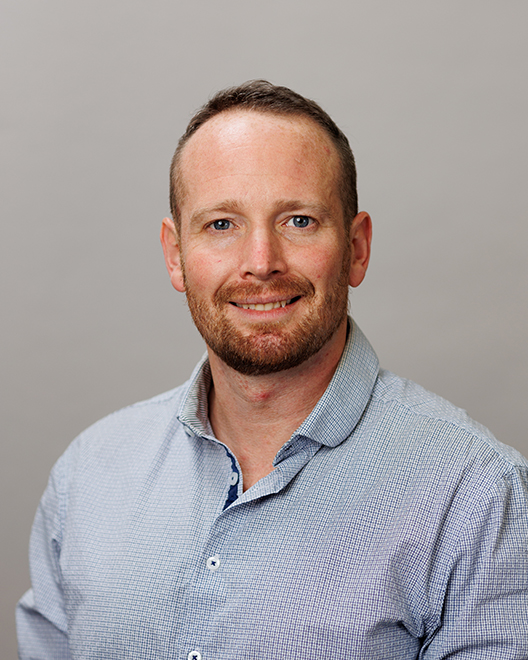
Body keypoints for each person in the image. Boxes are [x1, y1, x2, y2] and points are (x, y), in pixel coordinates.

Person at [17, 80, 528, 659]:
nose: (261, 263)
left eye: (299, 221)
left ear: (357, 248)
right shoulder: (89, 475)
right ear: (175, 255)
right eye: (221, 225)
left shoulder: (477, 495)